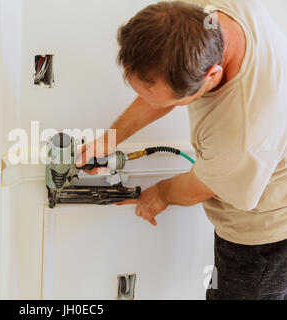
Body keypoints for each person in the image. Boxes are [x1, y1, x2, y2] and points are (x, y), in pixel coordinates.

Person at [77, 0, 286, 300]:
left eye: (170, 102)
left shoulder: (242, 131)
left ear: (211, 76)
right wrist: (110, 139)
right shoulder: (199, 15)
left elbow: (203, 185)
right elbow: (161, 86)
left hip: (264, 237)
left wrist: (160, 194)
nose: (158, 105)